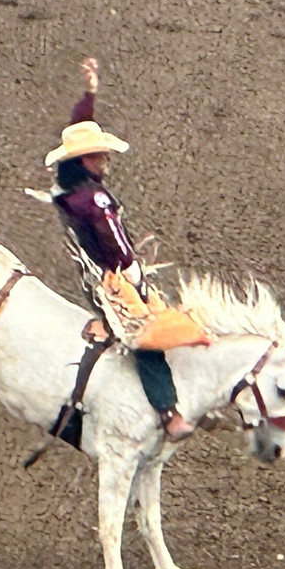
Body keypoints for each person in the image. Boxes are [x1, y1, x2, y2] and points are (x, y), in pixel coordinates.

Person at [46, 58, 199, 443]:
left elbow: (73, 129)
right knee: (146, 333)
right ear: (83, 160)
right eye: (98, 155)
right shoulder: (94, 200)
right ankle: (168, 413)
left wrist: (89, 96)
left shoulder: (69, 188)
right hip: (111, 277)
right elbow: (116, 242)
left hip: (94, 270)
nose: (104, 159)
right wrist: (133, 273)